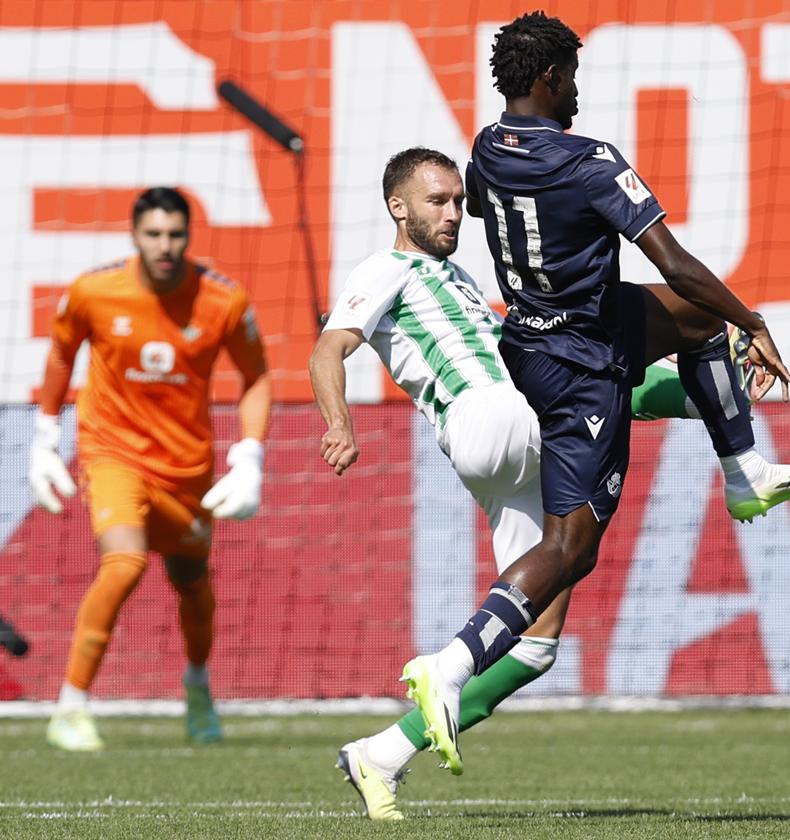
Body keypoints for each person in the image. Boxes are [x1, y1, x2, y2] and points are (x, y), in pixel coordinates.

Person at [400, 11, 790, 778]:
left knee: (698, 323)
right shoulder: (590, 160)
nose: (578, 89)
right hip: (583, 361)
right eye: (572, 75)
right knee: (570, 549)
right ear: (549, 78)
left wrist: (722, 317)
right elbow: (673, 260)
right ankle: (455, 662)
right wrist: (754, 318)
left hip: (537, 337)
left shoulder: (484, 149)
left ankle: (745, 473)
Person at [309, 147, 755, 820]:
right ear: (398, 206)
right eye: (437, 201)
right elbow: (328, 348)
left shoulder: (455, 278)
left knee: (537, 643)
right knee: (594, 366)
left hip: (501, 453)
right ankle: (717, 403)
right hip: (490, 416)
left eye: (459, 201)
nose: (454, 212)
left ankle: (380, 753)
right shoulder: (386, 267)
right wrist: (339, 421)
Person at [29, 187, 271, 751]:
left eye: (175, 235)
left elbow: (256, 376)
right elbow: (62, 355)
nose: (165, 246)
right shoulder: (93, 291)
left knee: (193, 587)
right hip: (112, 453)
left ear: (188, 237)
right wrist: (44, 436)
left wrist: (251, 454)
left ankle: (197, 687)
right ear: (135, 235)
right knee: (125, 562)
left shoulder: (224, 301)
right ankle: (70, 706)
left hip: (187, 469)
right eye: (154, 234)